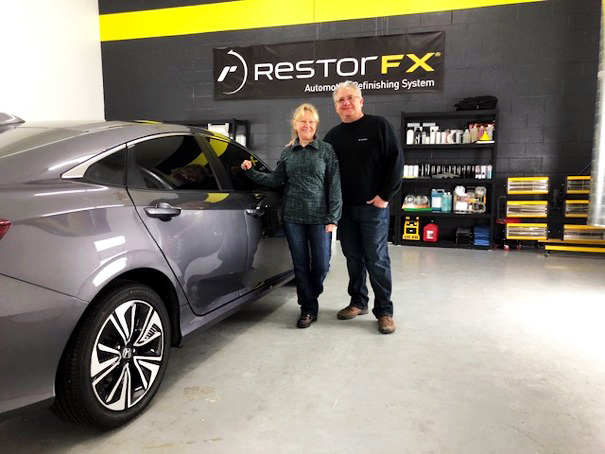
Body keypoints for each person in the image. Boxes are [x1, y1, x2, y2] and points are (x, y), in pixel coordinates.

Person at [241, 103, 342, 328]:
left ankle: (311, 295)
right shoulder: (287, 152)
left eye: (311, 122)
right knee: (300, 266)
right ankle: (307, 309)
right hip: (293, 217)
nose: (307, 125)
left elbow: (334, 185)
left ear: (316, 125)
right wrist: (250, 171)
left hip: (319, 217)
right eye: (303, 121)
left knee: (321, 265)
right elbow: (276, 180)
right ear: (295, 125)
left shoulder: (326, 150)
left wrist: (333, 217)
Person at [324, 81, 404, 334]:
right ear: (336, 107)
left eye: (351, 98)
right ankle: (358, 302)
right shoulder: (332, 136)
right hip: (345, 210)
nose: (346, 103)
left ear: (361, 101)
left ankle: (385, 311)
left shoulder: (378, 126)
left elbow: (396, 160)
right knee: (353, 258)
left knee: (377, 259)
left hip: (373, 208)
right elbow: (321, 165)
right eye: (341, 100)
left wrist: (385, 196)